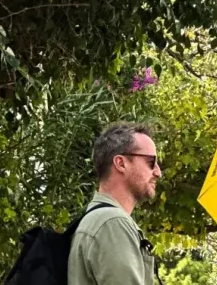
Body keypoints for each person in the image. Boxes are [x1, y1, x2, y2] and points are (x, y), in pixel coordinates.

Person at [68, 122, 163, 285]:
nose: (158, 172)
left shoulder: (98, 219)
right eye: (150, 162)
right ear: (120, 163)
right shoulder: (112, 223)